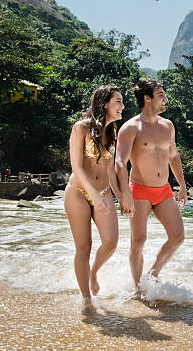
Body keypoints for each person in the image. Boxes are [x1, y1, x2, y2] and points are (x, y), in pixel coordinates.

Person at [115, 78, 187, 292]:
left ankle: (152, 274)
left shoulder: (168, 126)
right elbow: (120, 162)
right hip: (139, 190)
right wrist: (124, 193)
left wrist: (181, 185)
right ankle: (138, 289)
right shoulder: (131, 127)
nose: (165, 99)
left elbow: (173, 156)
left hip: (163, 189)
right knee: (138, 241)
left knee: (178, 237)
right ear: (147, 98)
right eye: (161, 95)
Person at [64, 85, 125, 313]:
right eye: (118, 101)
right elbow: (76, 167)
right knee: (84, 247)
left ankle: (93, 272)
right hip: (78, 192)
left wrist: (120, 199)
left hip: (103, 192)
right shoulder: (81, 128)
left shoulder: (113, 132)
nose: (122, 106)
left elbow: (110, 170)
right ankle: (87, 299)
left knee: (111, 242)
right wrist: (92, 195)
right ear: (105, 103)